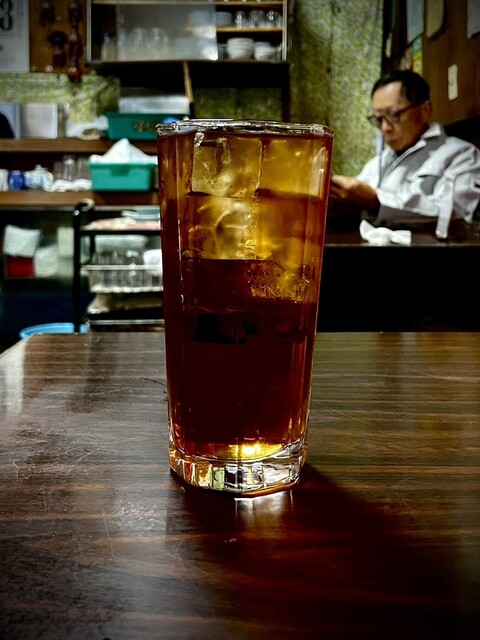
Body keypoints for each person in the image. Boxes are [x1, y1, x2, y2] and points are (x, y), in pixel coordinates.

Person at [328, 69, 480, 234]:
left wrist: (377, 201)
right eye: (378, 119)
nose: (385, 128)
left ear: (425, 110)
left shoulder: (462, 155)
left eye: (394, 115)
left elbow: (456, 217)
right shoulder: (379, 161)